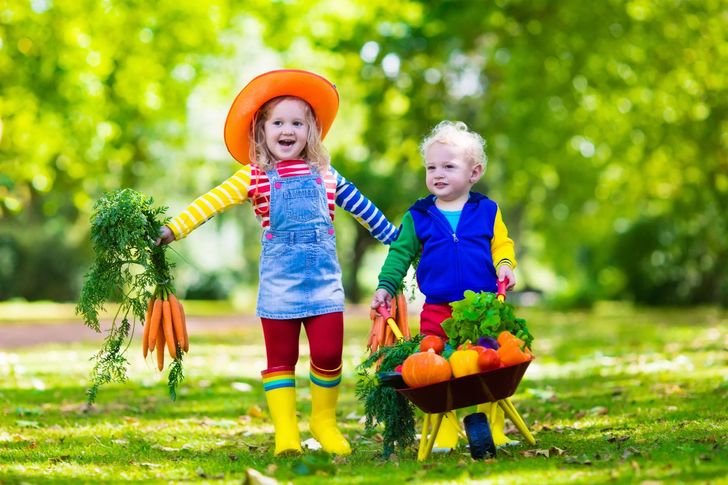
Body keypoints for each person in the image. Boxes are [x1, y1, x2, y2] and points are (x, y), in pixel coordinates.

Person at [157, 69, 397, 457]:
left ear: (311, 130)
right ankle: (286, 431)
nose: (288, 130)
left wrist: (399, 240)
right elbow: (210, 203)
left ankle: (324, 422)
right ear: (261, 131)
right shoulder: (254, 177)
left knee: (328, 354)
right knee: (280, 360)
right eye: (278, 122)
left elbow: (368, 213)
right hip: (279, 285)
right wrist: (173, 229)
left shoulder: (328, 176)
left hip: (323, 285)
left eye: (297, 123)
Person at [370, 120, 517, 449]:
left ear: (473, 173)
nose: (437, 173)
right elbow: (400, 254)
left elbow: (501, 245)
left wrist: (505, 266)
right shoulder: (418, 215)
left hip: (483, 308)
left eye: (448, 166)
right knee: (437, 370)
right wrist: (385, 285)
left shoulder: (486, 210)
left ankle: (495, 428)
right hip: (437, 308)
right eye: (431, 167)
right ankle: (445, 431)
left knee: (489, 366)